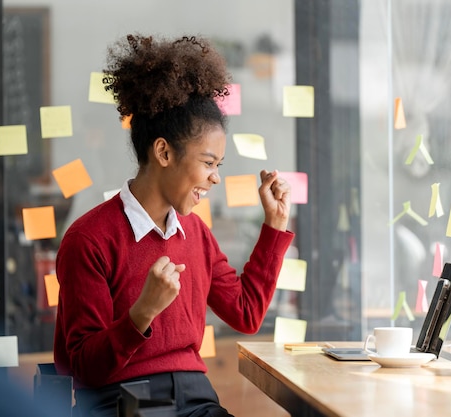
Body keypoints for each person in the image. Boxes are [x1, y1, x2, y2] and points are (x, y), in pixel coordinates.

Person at [53, 33, 294, 417]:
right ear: (163, 152)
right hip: (122, 403)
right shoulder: (89, 239)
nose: (215, 178)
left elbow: (246, 315)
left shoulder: (196, 235)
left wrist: (275, 227)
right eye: (208, 162)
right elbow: (83, 365)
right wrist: (142, 312)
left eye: (219, 166)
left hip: (197, 401)